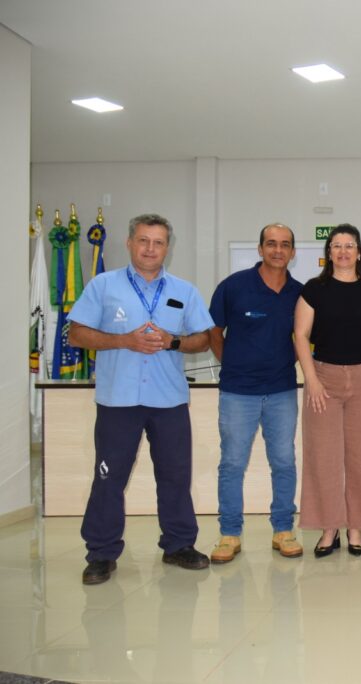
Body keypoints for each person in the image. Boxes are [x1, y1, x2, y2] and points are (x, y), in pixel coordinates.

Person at [68, 213, 214, 585]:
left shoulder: (184, 291)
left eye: (159, 242)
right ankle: (100, 553)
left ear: (168, 247)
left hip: (169, 401)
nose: (151, 249)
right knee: (108, 478)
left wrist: (173, 341)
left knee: (175, 476)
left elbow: (204, 338)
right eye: (144, 241)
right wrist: (123, 340)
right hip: (118, 401)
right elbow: (77, 334)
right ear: (131, 243)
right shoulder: (103, 286)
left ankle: (179, 545)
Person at [207, 223, 303, 563]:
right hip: (238, 392)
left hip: (282, 391)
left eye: (285, 245)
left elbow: (304, 339)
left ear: (293, 252)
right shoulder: (234, 287)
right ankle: (229, 533)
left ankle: (283, 529)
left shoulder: (300, 293)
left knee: (284, 461)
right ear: (260, 249)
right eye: (271, 244)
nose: (278, 250)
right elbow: (213, 331)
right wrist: (230, 361)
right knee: (232, 463)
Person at [294, 224, 361, 558]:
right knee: (324, 457)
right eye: (337, 246)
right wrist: (312, 380)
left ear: (359, 252)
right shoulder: (313, 290)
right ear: (329, 252)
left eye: (350, 245)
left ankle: (356, 526)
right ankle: (329, 526)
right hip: (324, 380)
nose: (344, 251)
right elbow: (300, 336)